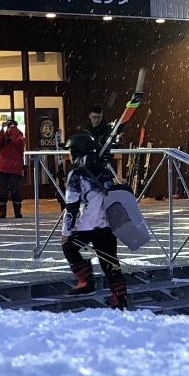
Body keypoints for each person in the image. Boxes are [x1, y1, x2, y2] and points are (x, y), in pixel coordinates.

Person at [60, 130, 127, 308]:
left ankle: (85, 280)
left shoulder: (76, 174)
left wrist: (66, 231)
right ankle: (120, 300)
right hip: (108, 223)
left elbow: (71, 206)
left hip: (90, 224)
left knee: (69, 246)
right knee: (110, 262)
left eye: (70, 150)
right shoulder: (103, 169)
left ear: (75, 152)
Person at [0, 113, 27, 218]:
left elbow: (18, 142)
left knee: (15, 190)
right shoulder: (4, 138)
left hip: (14, 167)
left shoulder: (19, 137)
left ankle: (17, 210)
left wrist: (13, 130)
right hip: (2, 167)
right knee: (3, 191)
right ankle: (2, 211)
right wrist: (2, 130)